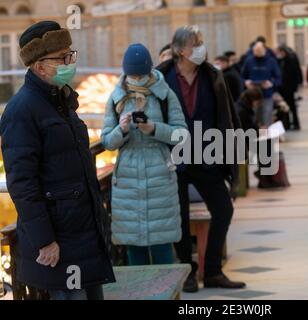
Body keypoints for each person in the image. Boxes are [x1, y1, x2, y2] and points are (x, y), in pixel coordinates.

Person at [0, 21, 115, 300]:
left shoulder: (62, 101)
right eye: (62, 58)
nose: (69, 62)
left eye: (70, 55)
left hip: (81, 233)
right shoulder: (22, 110)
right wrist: (45, 240)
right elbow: (22, 184)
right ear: (39, 66)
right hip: (59, 243)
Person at [157, 25, 245, 293]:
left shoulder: (213, 76)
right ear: (179, 50)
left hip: (209, 157)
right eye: (195, 44)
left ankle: (214, 271)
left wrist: (234, 165)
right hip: (174, 160)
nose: (201, 48)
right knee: (179, 218)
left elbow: (228, 118)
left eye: (201, 43)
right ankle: (188, 272)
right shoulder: (161, 77)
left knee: (224, 210)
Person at [101, 43, 188, 266]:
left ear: (150, 69)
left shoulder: (164, 94)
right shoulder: (116, 97)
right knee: (134, 246)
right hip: (128, 179)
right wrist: (121, 129)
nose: (137, 78)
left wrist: (154, 129)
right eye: (133, 74)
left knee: (162, 244)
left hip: (159, 173)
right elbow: (107, 141)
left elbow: (182, 135)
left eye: (141, 74)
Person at [241, 41, 281, 127]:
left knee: (267, 117)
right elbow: (242, 77)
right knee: (254, 118)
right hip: (252, 97)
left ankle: (268, 138)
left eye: (259, 51)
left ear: (264, 50)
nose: (257, 53)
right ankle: (256, 138)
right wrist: (246, 82)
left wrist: (271, 83)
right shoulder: (249, 61)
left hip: (267, 94)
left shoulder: (271, 61)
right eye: (255, 51)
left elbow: (278, 78)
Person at [275, 45, 303, 131]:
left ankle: (295, 123)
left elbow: (296, 73)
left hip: (289, 88)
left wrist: (296, 86)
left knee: (292, 107)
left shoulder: (290, 60)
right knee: (286, 107)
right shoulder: (280, 60)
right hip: (283, 88)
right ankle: (287, 124)